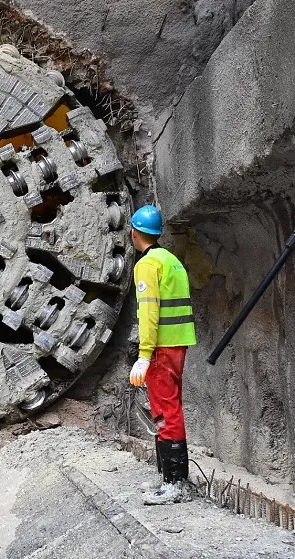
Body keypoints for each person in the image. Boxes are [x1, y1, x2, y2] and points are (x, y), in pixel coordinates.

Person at [128, 204, 197, 505]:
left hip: (160, 347)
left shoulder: (147, 265)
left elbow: (149, 312)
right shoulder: (170, 260)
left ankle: (175, 484)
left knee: (165, 411)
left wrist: (144, 354)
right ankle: (169, 477)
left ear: (134, 231)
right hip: (178, 343)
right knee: (171, 407)